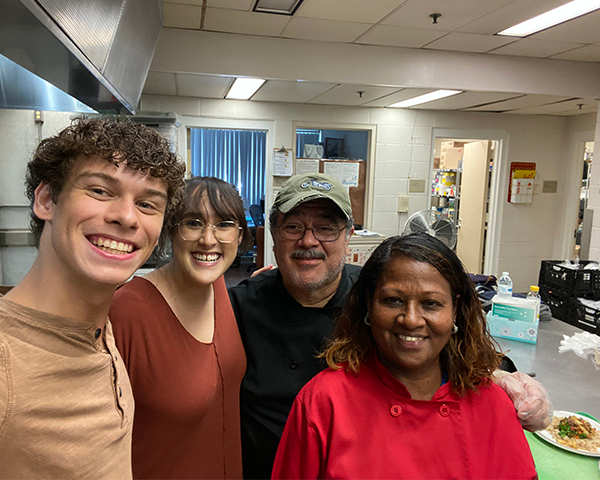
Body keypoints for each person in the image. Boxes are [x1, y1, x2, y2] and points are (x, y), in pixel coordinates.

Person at [229, 172, 551, 480]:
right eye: (294, 226)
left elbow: (446, 341)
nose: (309, 240)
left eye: (326, 228)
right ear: (273, 234)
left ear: (348, 235)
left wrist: (506, 376)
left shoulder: (380, 291)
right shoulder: (237, 307)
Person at [0, 118, 185, 479]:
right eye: (100, 191)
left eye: (148, 204)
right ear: (46, 199)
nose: (126, 217)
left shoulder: (100, 329)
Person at [272, 233, 537, 479]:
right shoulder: (323, 402)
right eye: (393, 301)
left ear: (455, 309)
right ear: (369, 304)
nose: (411, 320)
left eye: (431, 303)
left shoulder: (493, 404)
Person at [109, 176, 253, 480]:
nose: (208, 239)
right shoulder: (128, 311)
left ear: (239, 236)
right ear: (171, 230)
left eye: (225, 224)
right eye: (193, 222)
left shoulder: (219, 288)